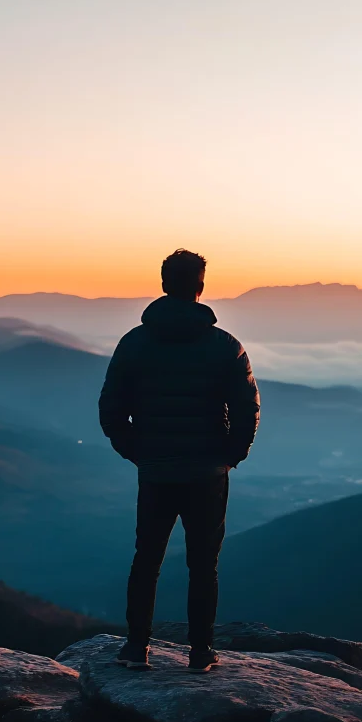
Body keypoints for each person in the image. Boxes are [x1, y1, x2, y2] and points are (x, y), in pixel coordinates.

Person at [99, 249, 260, 673]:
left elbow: (111, 408)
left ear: (164, 283)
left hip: (155, 471)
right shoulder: (224, 346)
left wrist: (139, 452)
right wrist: (229, 457)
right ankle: (201, 653)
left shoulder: (134, 343)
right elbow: (247, 408)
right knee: (203, 563)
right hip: (208, 471)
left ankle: (136, 648)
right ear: (200, 287)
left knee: (146, 558)